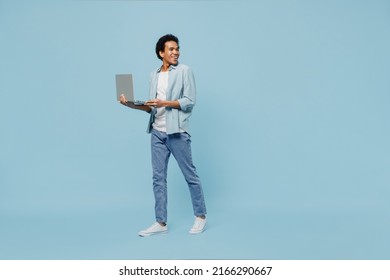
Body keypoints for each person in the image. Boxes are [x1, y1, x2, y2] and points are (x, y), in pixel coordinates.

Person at [119, 34, 207, 237]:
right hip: (157, 133)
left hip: (177, 132)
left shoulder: (185, 71)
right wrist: (129, 104)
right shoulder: (154, 75)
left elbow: (189, 101)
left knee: (190, 175)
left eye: (177, 49)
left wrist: (164, 103)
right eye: (171, 49)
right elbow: (152, 108)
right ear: (161, 53)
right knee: (158, 178)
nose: (175, 52)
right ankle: (160, 221)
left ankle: (200, 216)